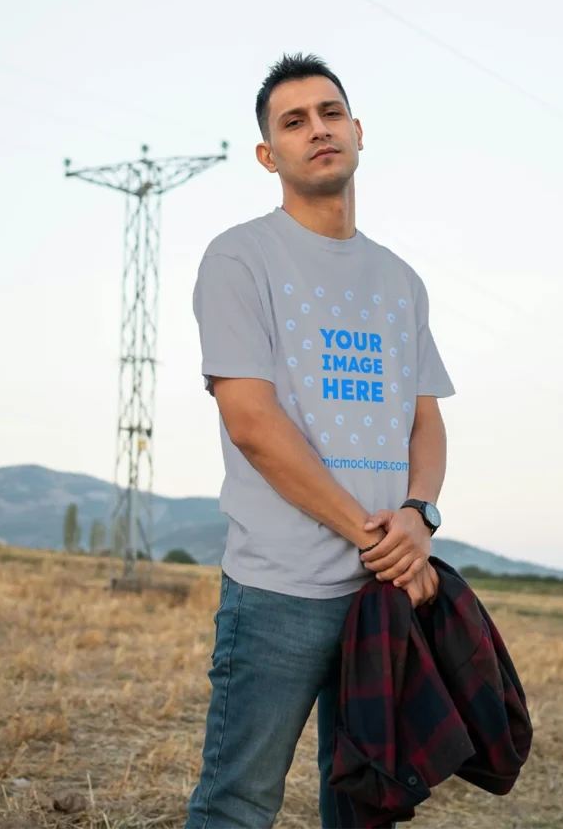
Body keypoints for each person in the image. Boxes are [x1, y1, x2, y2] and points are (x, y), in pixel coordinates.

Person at [184, 53, 455, 829]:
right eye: (294, 121)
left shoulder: (400, 280)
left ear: (359, 132)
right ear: (269, 155)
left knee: (367, 807)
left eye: (330, 113)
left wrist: (419, 515)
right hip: (279, 592)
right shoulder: (239, 258)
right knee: (237, 805)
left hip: (382, 595)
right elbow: (254, 424)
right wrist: (378, 538)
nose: (318, 130)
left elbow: (424, 418)